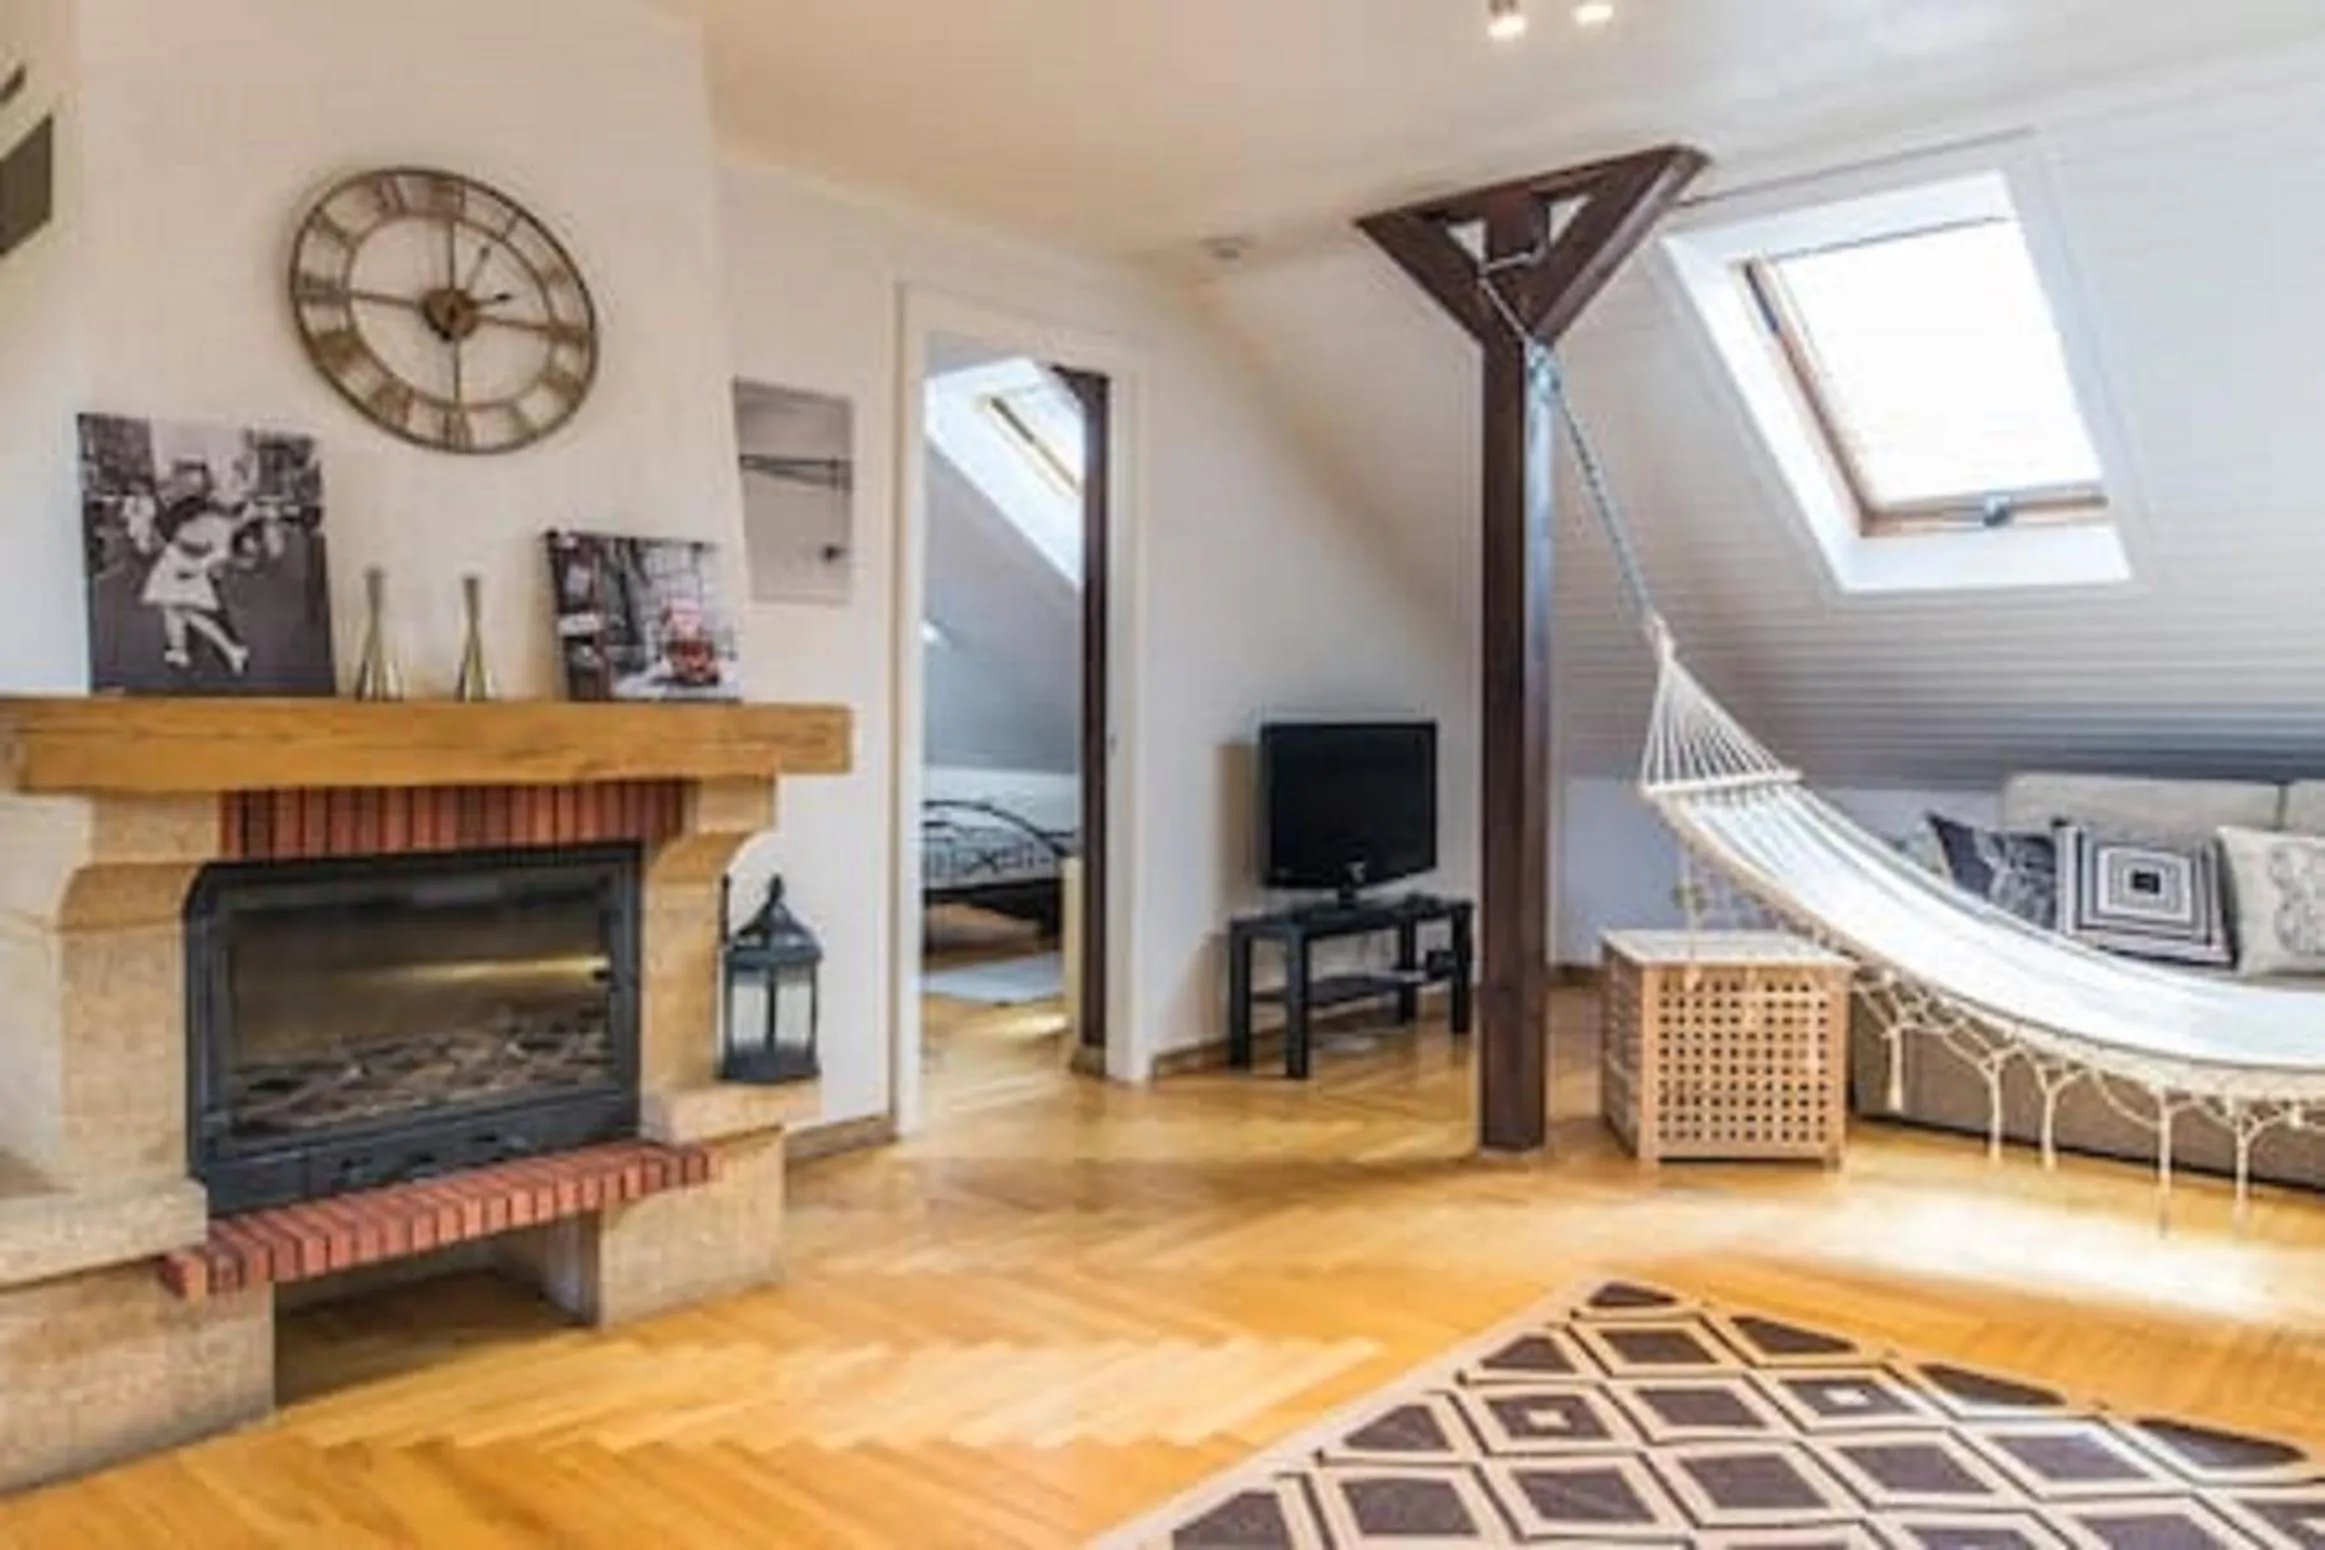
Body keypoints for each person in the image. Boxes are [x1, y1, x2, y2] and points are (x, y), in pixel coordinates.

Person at [141, 463, 253, 676]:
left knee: (185, 610)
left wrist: (196, 568)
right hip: (174, 562)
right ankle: (181, 650)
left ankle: (229, 649)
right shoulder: (186, 507)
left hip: (188, 566)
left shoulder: (220, 523)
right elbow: (169, 533)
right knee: (173, 608)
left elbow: (221, 553)